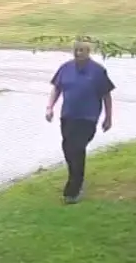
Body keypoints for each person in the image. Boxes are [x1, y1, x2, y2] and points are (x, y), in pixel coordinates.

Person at [45, 40, 115, 204]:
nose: (78, 53)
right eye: (76, 50)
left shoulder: (97, 71)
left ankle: (73, 190)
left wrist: (108, 117)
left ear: (88, 51)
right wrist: (49, 107)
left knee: (77, 147)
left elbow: (106, 95)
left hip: (88, 117)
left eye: (82, 50)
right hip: (68, 115)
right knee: (68, 149)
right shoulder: (65, 68)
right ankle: (75, 177)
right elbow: (57, 88)